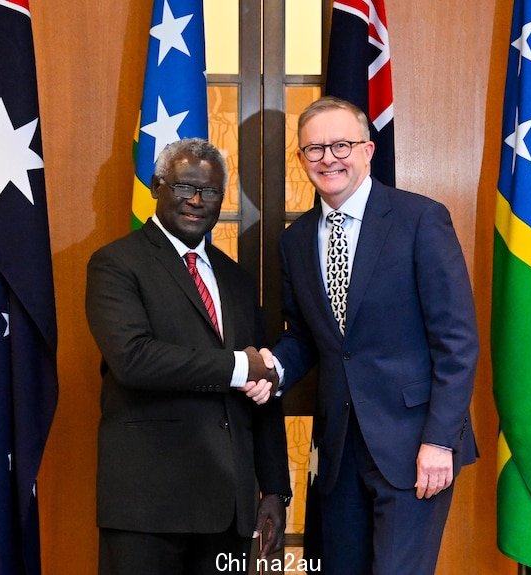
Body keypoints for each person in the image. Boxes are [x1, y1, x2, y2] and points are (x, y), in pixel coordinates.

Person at [261, 96, 479, 574]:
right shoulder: (295, 241)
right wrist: (273, 370)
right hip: (338, 454)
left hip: (414, 449)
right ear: (301, 160)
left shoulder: (420, 220)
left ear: (367, 150)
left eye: (341, 144)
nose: (328, 158)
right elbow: (306, 335)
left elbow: (457, 341)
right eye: (314, 149)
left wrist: (441, 440)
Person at [85, 138, 291, 575]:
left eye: (211, 191)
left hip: (227, 510)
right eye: (183, 188)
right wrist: (239, 367)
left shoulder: (235, 278)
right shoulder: (116, 264)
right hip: (148, 510)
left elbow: (264, 384)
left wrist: (274, 488)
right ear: (158, 186)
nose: (197, 201)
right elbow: (134, 358)